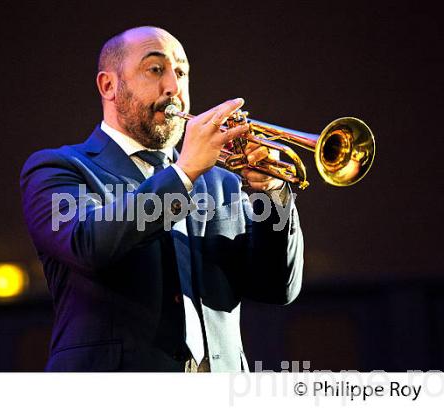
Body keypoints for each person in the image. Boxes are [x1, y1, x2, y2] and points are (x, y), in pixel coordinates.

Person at [20, 26, 304, 372]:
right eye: (155, 69)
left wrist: (271, 193)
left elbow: (277, 287)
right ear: (108, 86)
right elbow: (89, 244)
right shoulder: (57, 168)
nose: (173, 87)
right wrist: (183, 174)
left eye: (181, 72)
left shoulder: (222, 184)